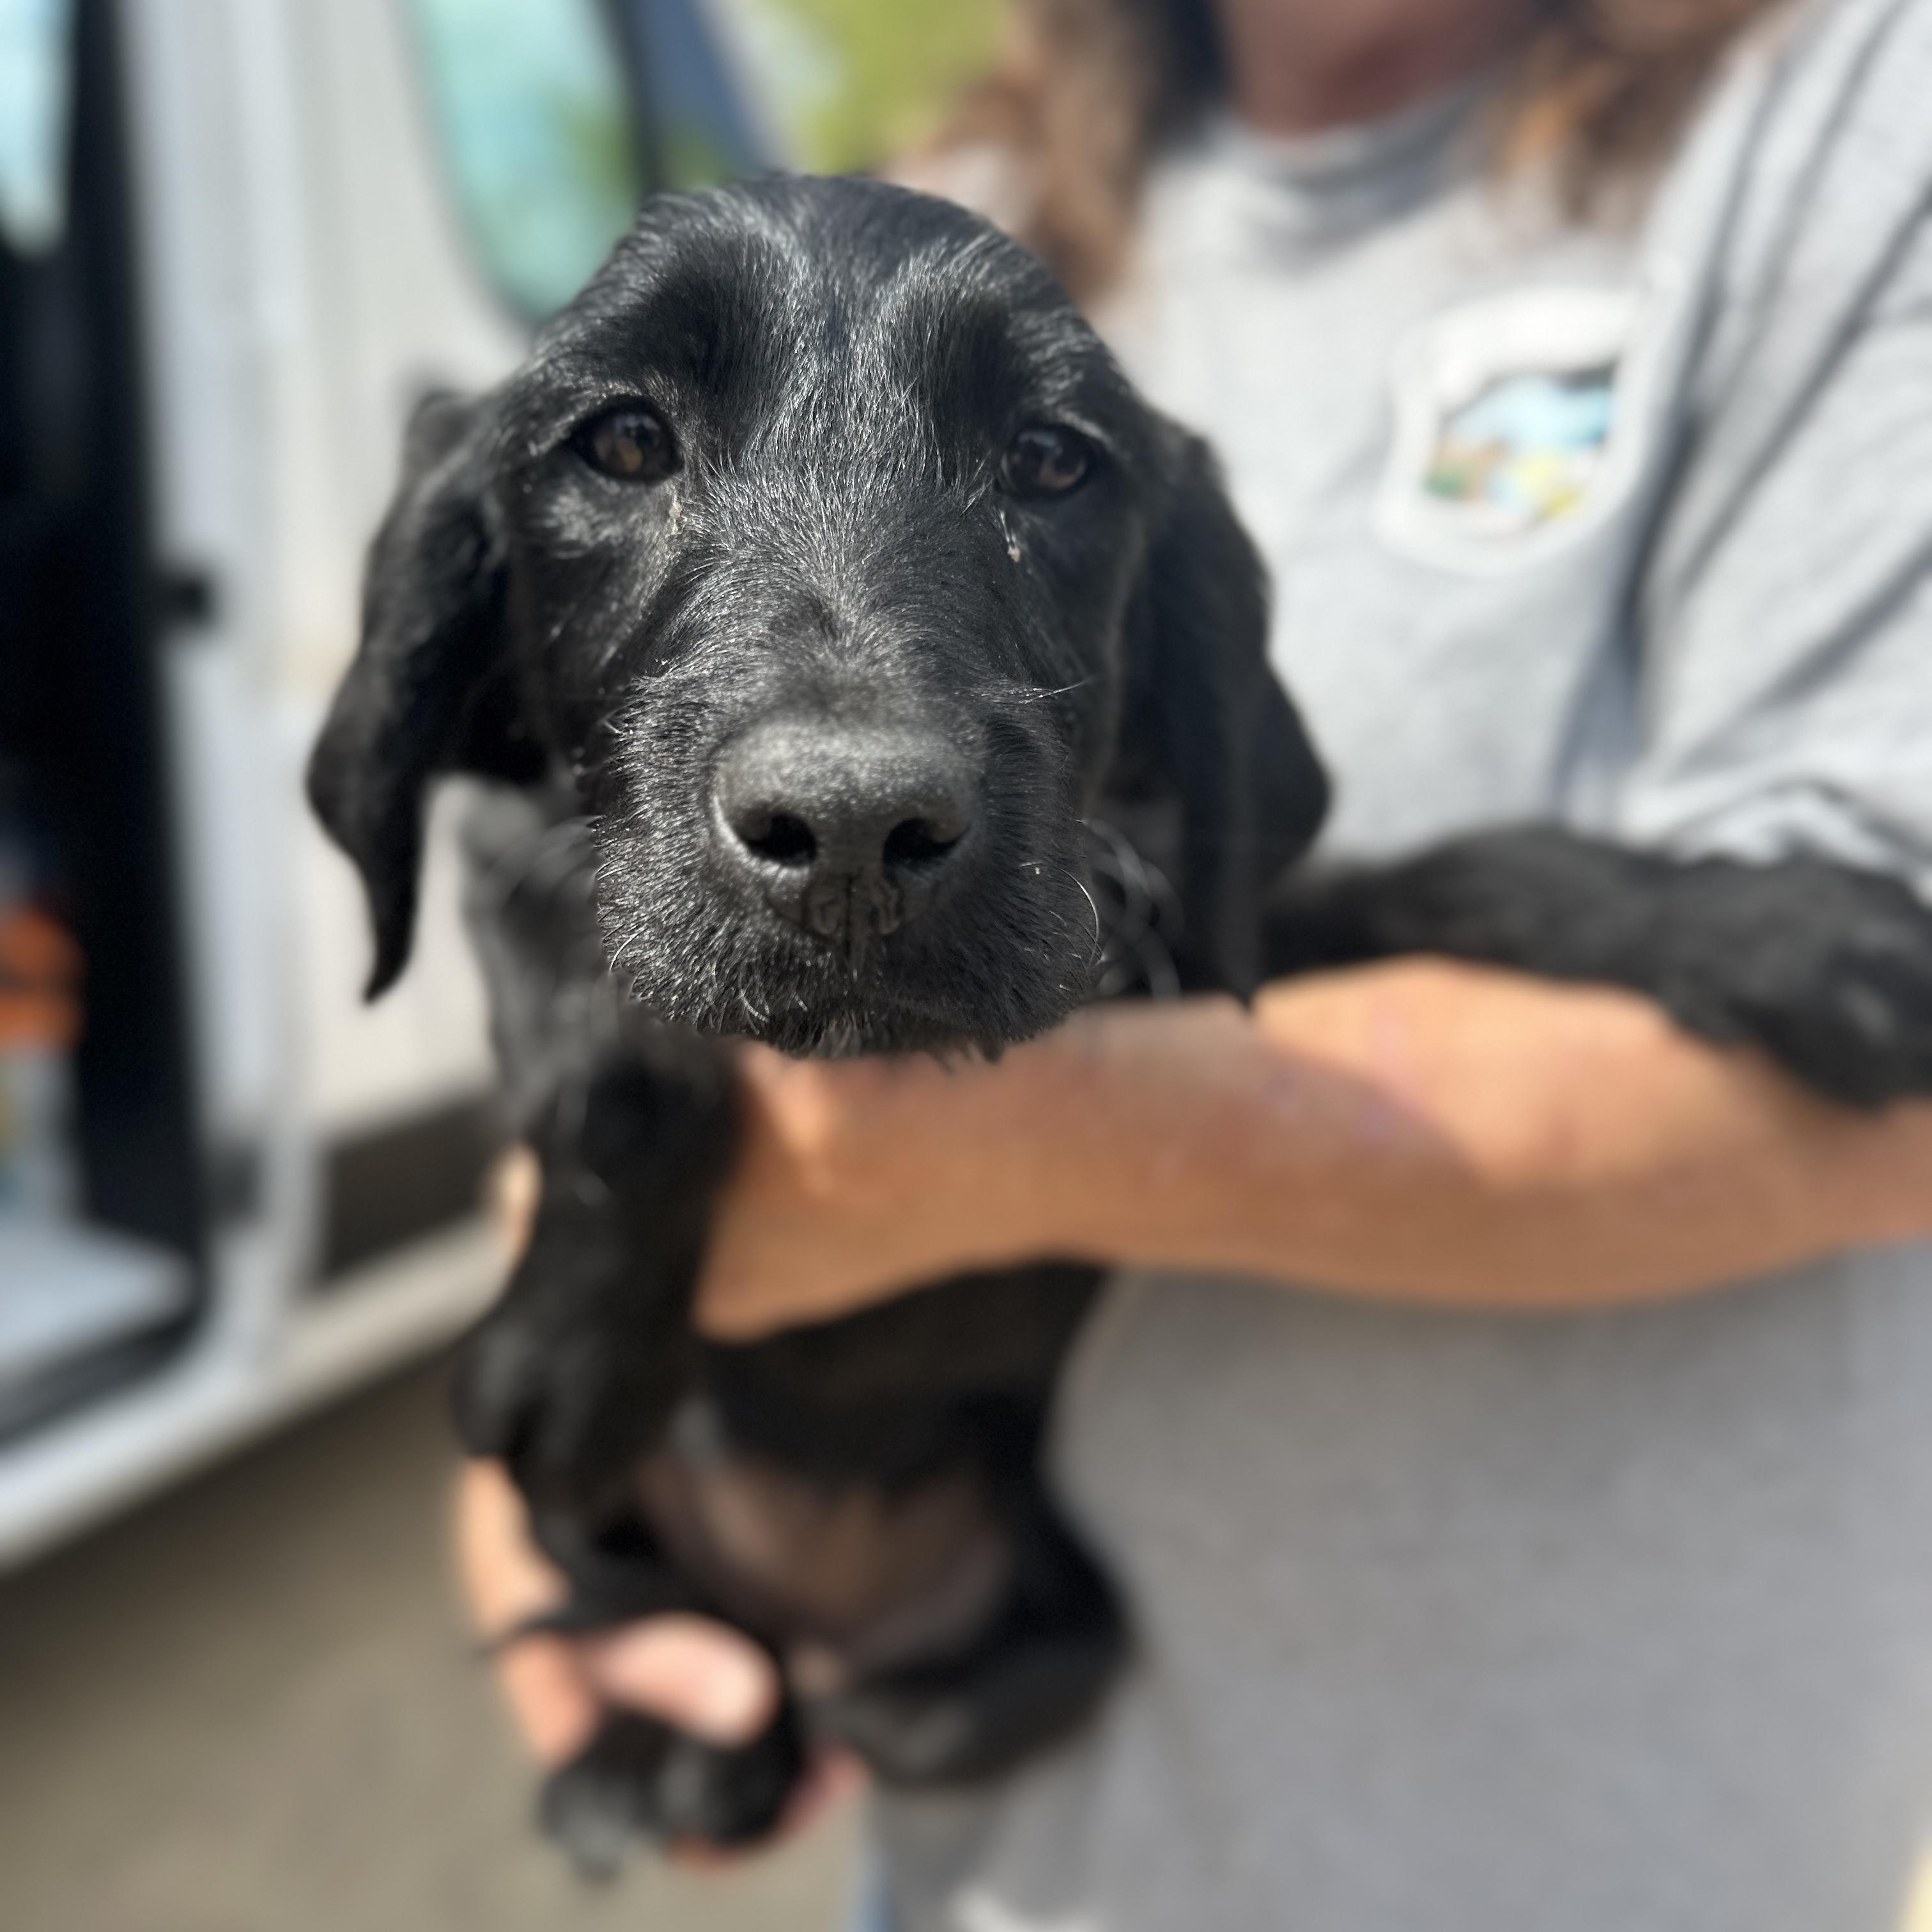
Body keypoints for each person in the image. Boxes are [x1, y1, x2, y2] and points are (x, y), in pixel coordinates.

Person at [458, 1, 1932, 1925]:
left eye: (1043, 471)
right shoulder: (963, 204)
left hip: (1577, 1834)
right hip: (1006, 1847)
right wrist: (544, 1518)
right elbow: (541, 848)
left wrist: (884, 1166)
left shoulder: (1846, 117)